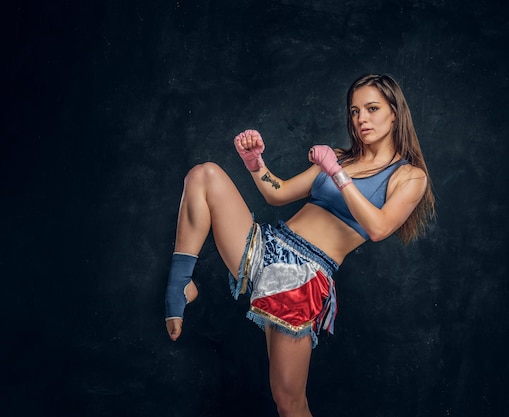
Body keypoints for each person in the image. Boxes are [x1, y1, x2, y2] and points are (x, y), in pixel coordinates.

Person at [164, 73, 435, 417]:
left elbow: (379, 227)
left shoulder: (409, 176)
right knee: (204, 174)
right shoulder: (340, 157)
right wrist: (256, 163)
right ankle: (181, 284)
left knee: (289, 401)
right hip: (267, 246)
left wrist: (337, 172)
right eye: (354, 111)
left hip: (302, 279)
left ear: (395, 112)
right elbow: (276, 193)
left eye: (371, 108)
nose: (361, 119)